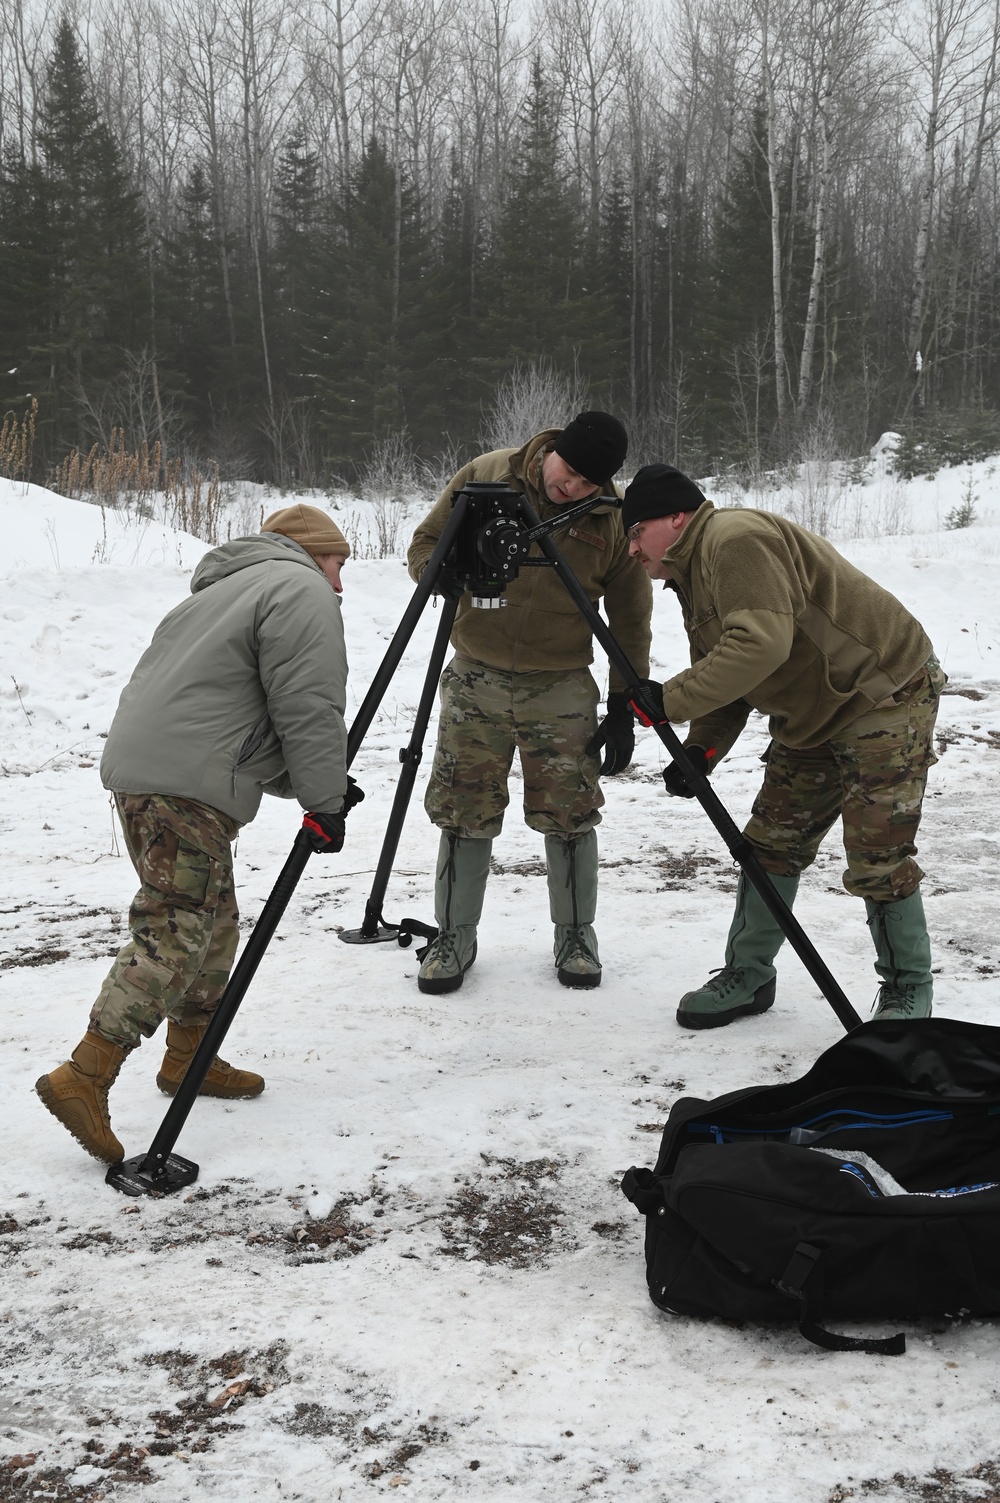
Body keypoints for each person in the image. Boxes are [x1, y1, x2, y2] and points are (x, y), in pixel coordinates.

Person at [36, 503, 361, 1164]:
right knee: (178, 925)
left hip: (153, 771)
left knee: (212, 919)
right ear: (309, 551)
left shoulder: (226, 590)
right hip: (183, 783)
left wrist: (312, 787)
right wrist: (326, 800)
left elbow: (233, 711)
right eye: (337, 563)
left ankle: (189, 1057)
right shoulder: (297, 590)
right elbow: (307, 700)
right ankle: (85, 1073)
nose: (340, 583)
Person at [622, 463, 944, 1029]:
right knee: (769, 844)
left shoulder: (736, 540)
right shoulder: (693, 569)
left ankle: (905, 994)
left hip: (880, 696)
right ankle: (749, 976)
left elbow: (757, 647)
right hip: (812, 712)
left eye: (634, 532)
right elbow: (730, 670)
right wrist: (702, 750)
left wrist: (665, 702)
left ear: (675, 517)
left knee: (877, 856)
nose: (630, 550)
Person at [407, 411, 653, 994]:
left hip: (562, 683)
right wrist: (442, 577)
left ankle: (575, 935)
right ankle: (454, 935)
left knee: (570, 813)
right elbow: (423, 545)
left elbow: (631, 619)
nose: (569, 490)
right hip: (476, 675)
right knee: (463, 810)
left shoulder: (612, 519)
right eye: (565, 474)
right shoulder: (488, 475)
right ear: (551, 451)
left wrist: (624, 706)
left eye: (585, 485)